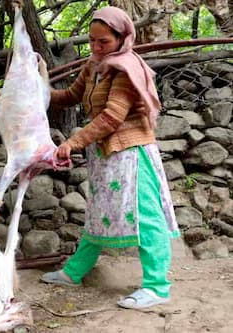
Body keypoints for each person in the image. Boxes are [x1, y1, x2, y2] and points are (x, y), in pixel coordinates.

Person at [40, 6, 180, 309]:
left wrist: (73, 142)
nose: (95, 47)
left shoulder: (126, 68)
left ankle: (157, 286)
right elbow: (70, 97)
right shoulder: (95, 65)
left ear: (122, 38)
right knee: (97, 213)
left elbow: (111, 117)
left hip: (132, 152)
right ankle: (74, 272)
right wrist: (38, 88)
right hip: (106, 155)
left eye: (103, 42)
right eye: (91, 40)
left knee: (147, 218)